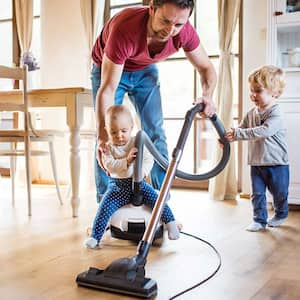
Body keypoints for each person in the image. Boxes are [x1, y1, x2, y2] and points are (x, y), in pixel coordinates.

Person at [91, 0, 217, 202]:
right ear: (151, 9)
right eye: (165, 21)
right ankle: (106, 204)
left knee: (155, 132)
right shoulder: (125, 28)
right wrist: (102, 134)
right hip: (111, 70)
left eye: (178, 25)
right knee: (108, 135)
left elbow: (207, 68)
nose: (170, 30)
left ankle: (160, 204)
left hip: (144, 69)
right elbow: (107, 90)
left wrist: (208, 95)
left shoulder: (185, 32)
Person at [84, 104, 181, 249]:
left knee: (157, 201)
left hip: (140, 185)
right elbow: (109, 164)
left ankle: (171, 225)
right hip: (117, 187)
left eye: (123, 131)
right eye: (113, 132)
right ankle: (95, 236)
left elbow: (149, 158)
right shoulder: (108, 147)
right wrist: (126, 161)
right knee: (104, 207)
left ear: (131, 126)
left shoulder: (138, 141)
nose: (119, 136)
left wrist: (143, 172)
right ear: (107, 131)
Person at [225, 65, 289, 232]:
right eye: (251, 90)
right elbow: (241, 128)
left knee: (279, 193)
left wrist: (239, 134)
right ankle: (259, 220)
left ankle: (281, 213)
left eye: (258, 91)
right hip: (256, 162)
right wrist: (231, 136)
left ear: (274, 92)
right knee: (257, 194)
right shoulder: (251, 113)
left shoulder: (276, 113)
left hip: (277, 163)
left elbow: (264, 131)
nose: (253, 95)